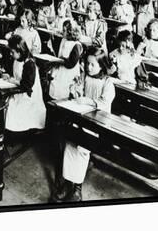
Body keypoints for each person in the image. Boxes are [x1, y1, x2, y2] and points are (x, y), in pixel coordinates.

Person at [52, 46, 115, 202]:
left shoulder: (107, 83)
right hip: (80, 118)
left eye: (93, 64)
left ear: (102, 66)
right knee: (69, 145)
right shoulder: (84, 76)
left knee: (81, 149)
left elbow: (105, 103)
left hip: (96, 123)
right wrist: (75, 90)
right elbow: (77, 92)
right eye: (87, 63)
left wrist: (89, 101)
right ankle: (68, 182)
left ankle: (77, 187)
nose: (88, 67)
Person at [3, 35, 47, 132]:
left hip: (28, 96)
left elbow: (27, 85)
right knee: (5, 103)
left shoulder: (29, 63)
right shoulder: (17, 60)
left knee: (10, 107)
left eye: (12, 52)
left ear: (20, 51)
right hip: (19, 90)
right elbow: (15, 73)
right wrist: (9, 76)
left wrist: (14, 81)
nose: (11, 54)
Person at [48, 20, 83, 100]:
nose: (62, 32)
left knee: (65, 92)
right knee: (55, 87)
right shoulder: (64, 40)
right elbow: (58, 50)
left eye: (64, 30)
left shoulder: (76, 45)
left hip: (69, 72)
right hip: (60, 70)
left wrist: (61, 60)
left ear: (71, 32)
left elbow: (72, 63)